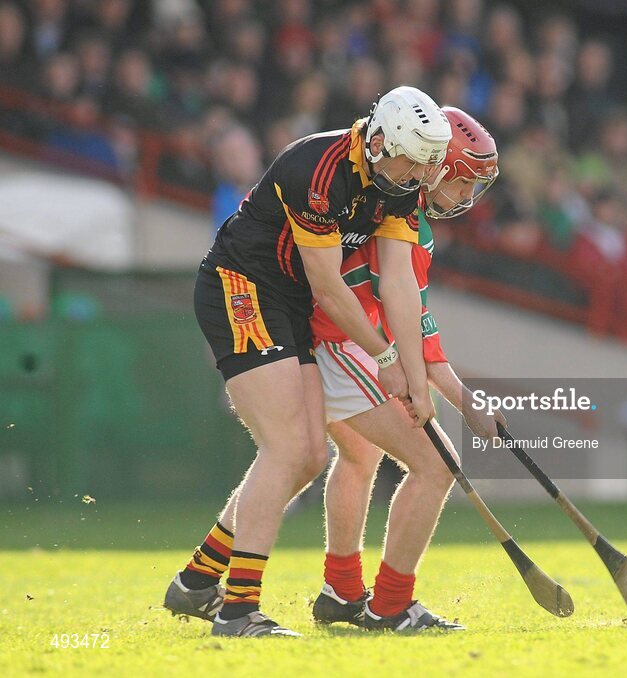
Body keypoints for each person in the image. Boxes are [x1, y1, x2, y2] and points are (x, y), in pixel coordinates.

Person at [163, 85, 452, 637]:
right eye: (411, 161)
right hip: (242, 287)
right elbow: (328, 285)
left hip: (289, 302)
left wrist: (417, 380)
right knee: (290, 447)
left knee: (311, 455)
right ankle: (238, 610)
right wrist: (386, 356)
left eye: (425, 165)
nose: (418, 177)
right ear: (381, 141)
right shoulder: (317, 171)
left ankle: (197, 581)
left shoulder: (396, 185)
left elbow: (398, 282)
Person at [308, 107, 502, 632]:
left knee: (358, 453)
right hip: (337, 341)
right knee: (436, 464)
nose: (467, 199)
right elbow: (410, 323)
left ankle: (341, 591)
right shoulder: (403, 214)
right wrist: (457, 399)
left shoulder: (397, 202)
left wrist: (464, 400)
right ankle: (391, 604)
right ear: (436, 167)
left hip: (340, 340)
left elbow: (415, 321)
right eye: (464, 183)